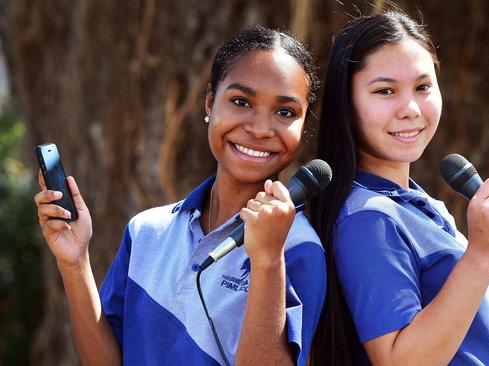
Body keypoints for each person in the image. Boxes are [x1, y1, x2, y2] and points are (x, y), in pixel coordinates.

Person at [310, 11, 489, 366]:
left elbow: (472, 345)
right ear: (346, 102)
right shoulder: (368, 218)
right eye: (385, 91)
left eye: (423, 87)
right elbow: (401, 361)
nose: (411, 109)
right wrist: (481, 255)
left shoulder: (421, 203)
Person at [34, 26, 325, 366]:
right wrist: (74, 263)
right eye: (241, 102)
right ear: (209, 101)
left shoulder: (300, 248)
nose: (260, 128)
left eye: (285, 112)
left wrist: (268, 259)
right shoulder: (147, 230)